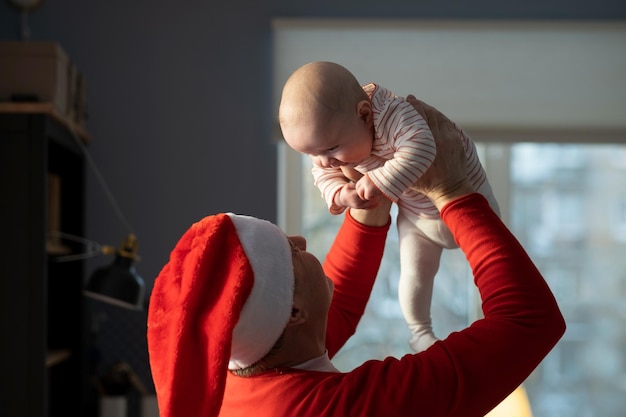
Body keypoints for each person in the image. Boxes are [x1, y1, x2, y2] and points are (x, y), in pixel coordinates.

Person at [146, 96, 565, 417]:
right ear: (291, 312)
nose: (301, 241)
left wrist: (369, 205)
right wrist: (454, 192)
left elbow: (334, 310)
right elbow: (529, 322)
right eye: (288, 252)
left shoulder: (233, 377)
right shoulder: (347, 408)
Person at [278, 61, 501, 352]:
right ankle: (420, 331)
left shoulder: (392, 115)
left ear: (365, 115)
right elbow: (323, 176)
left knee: (492, 266)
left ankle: (493, 326)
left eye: (331, 150)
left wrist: (379, 180)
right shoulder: (327, 141)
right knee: (415, 273)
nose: (323, 162)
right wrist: (342, 194)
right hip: (419, 218)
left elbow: (423, 148)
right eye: (309, 153)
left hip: (469, 196)